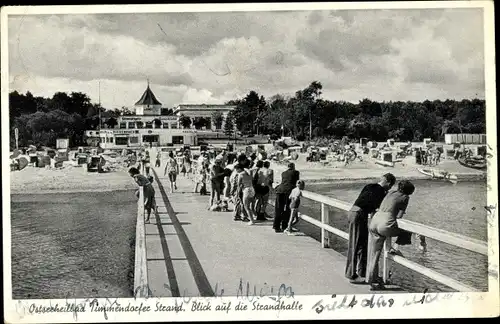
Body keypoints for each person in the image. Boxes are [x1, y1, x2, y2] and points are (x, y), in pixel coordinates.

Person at [345, 173, 396, 283]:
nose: (390, 188)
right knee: (356, 244)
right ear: (388, 182)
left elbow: (369, 203)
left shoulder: (369, 186)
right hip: (358, 215)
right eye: (390, 185)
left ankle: (362, 272)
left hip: (355, 213)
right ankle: (351, 275)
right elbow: (377, 209)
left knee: (362, 244)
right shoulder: (381, 191)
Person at [365, 180, 416, 290]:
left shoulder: (391, 192)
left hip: (374, 221)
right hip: (385, 225)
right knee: (406, 231)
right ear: (409, 191)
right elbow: (399, 216)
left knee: (374, 253)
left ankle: (370, 278)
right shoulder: (405, 197)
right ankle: (396, 247)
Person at [273, 163, 300, 233]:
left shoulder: (283, 173)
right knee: (288, 209)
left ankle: (276, 226)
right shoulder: (296, 172)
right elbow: (297, 182)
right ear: (293, 167)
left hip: (280, 190)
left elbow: (284, 181)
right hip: (288, 191)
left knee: (278, 209)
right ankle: (285, 226)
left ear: (287, 167)